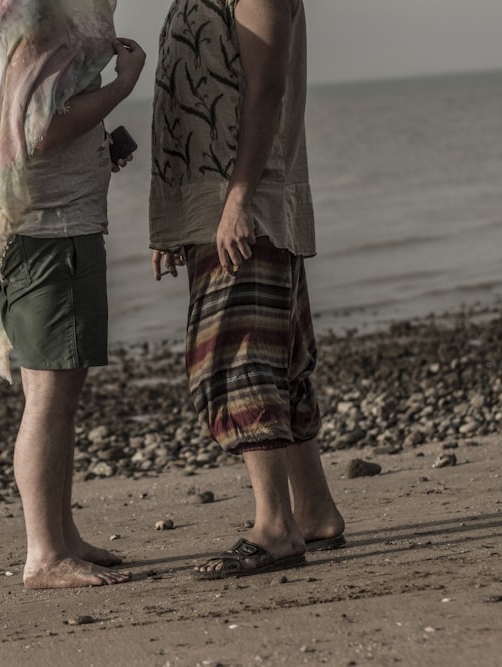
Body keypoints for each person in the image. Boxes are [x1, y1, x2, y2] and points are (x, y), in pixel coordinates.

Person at [0, 0, 145, 589]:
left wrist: (99, 146)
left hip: (19, 220)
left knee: (51, 392)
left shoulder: (0, 9)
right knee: (50, 396)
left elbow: (18, 118)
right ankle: (44, 553)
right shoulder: (45, 11)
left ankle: (60, 535)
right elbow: (39, 129)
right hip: (50, 230)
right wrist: (122, 87)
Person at [149, 0, 345, 578]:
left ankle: (275, 527)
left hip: (243, 205)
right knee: (282, 358)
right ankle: (314, 511)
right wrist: (174, 219)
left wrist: (235, 204)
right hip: (213, 205)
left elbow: (266, 92)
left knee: (237, 359)